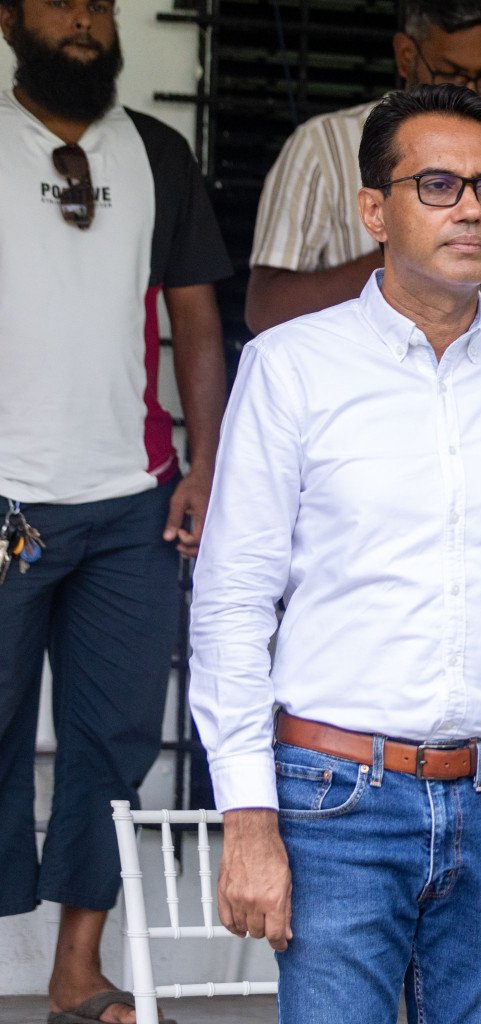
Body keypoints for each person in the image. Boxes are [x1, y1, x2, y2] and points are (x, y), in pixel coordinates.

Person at [188, 85, 481, 1023]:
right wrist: (248, 816)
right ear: (372, 210)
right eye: (437, 184)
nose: (471, 208)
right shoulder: (291, 364)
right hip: (333, 803)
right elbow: (232, 601)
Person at [0, 1, 230, 1020]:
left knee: (116, 735)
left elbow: (196, 320)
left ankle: (77, 973)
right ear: (9, 19)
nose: (83, 18)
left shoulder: (157, 153)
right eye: (57, 0)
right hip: (5, 492)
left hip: (133, 501)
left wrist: (206, 464)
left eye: (96, 1)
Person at [245, 0, 481, 350]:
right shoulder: (322, 145)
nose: (470, 92)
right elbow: (265, 312)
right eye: (450, 73)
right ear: (405, 55)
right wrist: (406, 249)